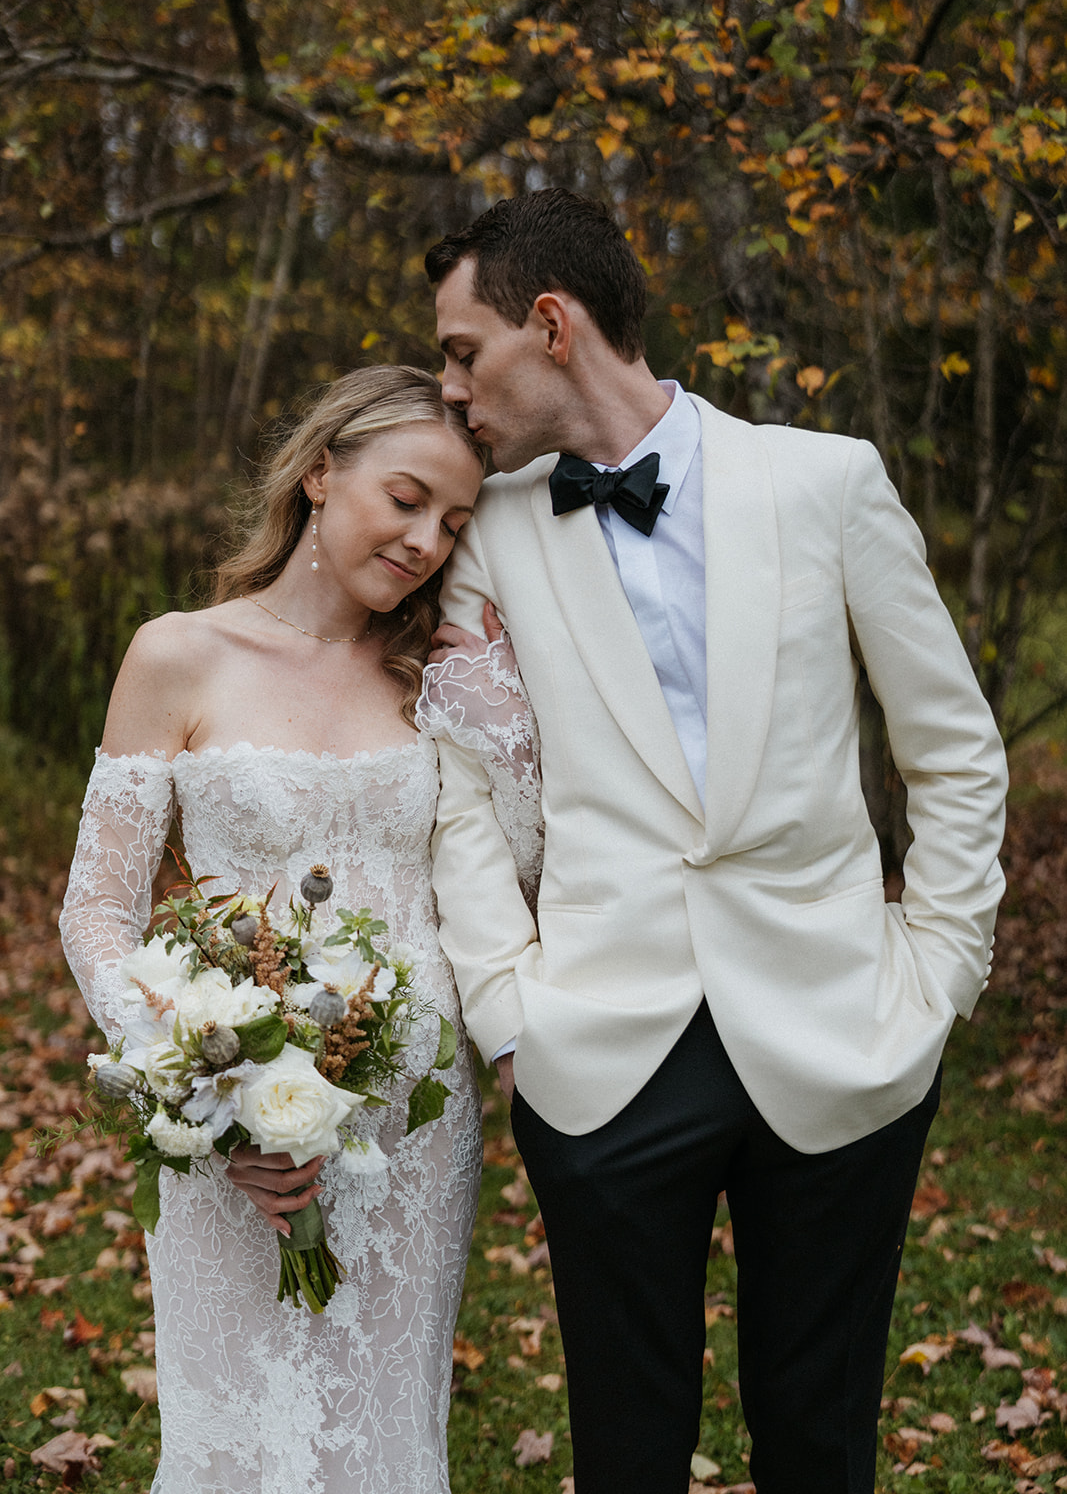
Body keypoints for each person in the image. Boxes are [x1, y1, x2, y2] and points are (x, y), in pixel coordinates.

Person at [422, 190, 1008, 1494]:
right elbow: (457, 792)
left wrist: (937, 973)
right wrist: (509, 1011)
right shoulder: (495, 534)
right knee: (624, 1453)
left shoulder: (824, 479)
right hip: (598, 1051)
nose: (450, 389)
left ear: (551, 324)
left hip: (839, 1028)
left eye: (463, 352)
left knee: (817, 1438)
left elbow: (951, 746)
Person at [59, 366, 489, 1494]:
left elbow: (503, 876)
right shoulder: (178, 654)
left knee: (389, 1435)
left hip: (412, 1121)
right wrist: (206, 1085)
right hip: (234, 1115)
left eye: (452, 521)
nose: (424, 540)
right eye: (405, 497)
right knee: (238, 1438)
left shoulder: (435, 674)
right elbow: (98, 908)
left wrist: (495, 703)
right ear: (318, 472)